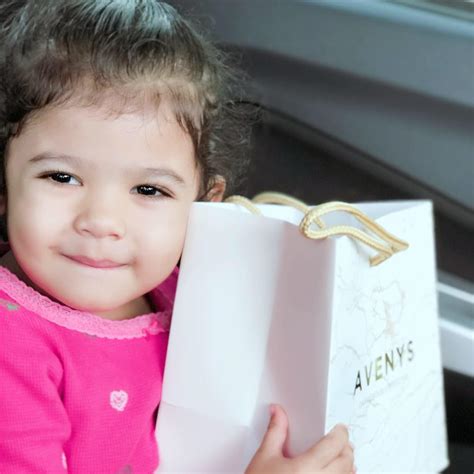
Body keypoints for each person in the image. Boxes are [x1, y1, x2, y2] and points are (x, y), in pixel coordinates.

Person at [0, 1, 355, 472]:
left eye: (149, 189)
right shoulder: (11, 347)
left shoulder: (180, 292)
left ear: (204, 207)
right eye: (62, 177)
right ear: (4, 185)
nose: (102, 221)